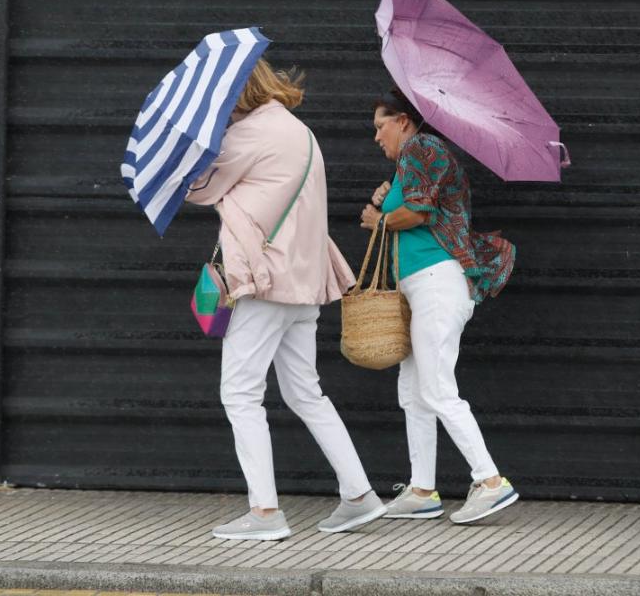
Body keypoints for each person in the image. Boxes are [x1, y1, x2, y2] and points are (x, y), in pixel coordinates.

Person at [187, 59, 387, 541]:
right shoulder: (302, 132)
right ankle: (359, 495)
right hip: (303, 283)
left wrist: (201, 147)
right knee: (305, 392)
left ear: (238, 93)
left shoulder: (248, 135)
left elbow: (199, 190)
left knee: (240, 393)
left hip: (266, 282)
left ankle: (264, 513)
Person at [360, 87, 518, 525]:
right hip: (419, 286)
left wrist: (381, 218)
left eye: (380, 126)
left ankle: (490, 481)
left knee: (435, 387)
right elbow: (416, 203)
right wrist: (386, 198)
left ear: (404, 121)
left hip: (437, 283)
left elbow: (419, 213)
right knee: (413, 392)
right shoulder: (412, 159)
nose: (376, 137)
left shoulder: (423, 146)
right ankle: (422, 490)